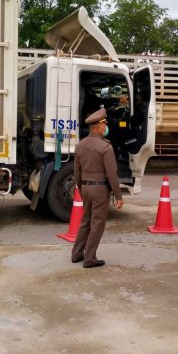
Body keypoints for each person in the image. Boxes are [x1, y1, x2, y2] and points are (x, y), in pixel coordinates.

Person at [71, 108, 124, 268]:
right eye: (104, 124)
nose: (106, 127)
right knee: (97, 224)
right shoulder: (105, 147)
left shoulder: (80, 145)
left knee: (85, 221)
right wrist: (118, 196)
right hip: (100, 189)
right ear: (97, 127)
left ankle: (76, 254)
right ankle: (90, 258)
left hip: (85, 188)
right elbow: (112, 174)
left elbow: (76, 172)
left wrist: (81, 188)